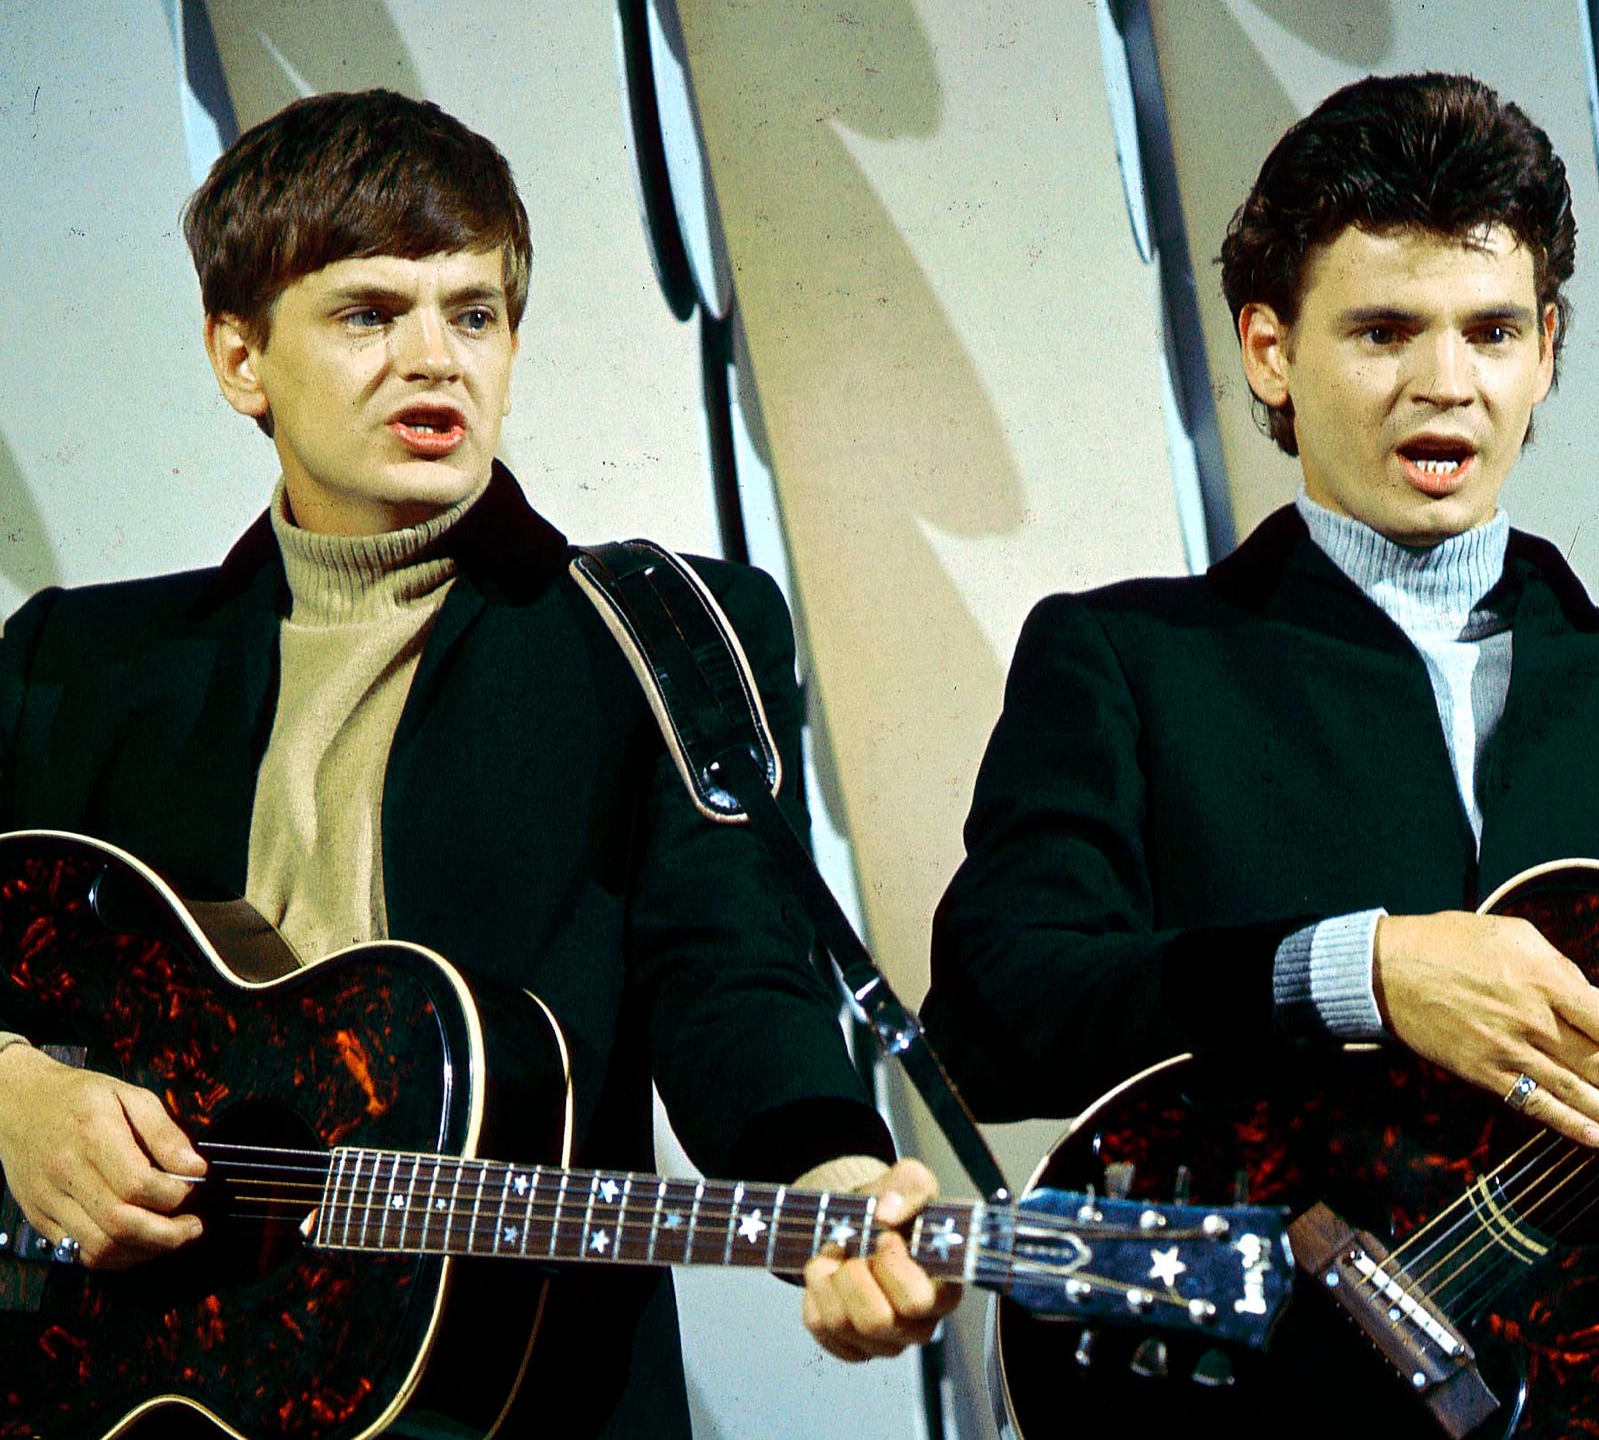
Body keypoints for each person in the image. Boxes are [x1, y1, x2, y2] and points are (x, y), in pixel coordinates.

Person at [924, 72, 1599, 1432]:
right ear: (1269, 351)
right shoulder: (1128, 661)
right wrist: (1360, 968)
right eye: (1383, 330)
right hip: (1248, 1389)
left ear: (1548, 345)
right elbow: (993, 1015)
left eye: (1491, 330)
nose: (1445, 387)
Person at [0, 89, 952, 1438]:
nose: (435, 360)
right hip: (120, 1393)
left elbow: (730, 973)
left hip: (510, 1403)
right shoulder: (73, 669)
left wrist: (830, 1170)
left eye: (474, 312)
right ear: (238, 359)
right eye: (368, 314)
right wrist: (14, 1092)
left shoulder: (651, 637)